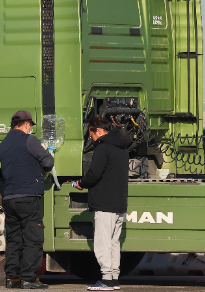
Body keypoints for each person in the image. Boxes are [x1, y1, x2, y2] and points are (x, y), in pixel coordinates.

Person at [0, 110, 54, 290]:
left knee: (14, 239)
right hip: (28, 197)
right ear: (26, 124)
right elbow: (48, 162)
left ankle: (12, 279)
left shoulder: (3, 144)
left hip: (9, 198)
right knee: (33, 238)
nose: (31, 129)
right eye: (30, 126)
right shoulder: (30, 140)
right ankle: (28, 278)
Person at [74, 116, 130, 291]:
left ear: (97, 130)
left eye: (92, 134)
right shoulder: (122, 148)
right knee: (114, 242)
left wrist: (80, 183)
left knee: (102, 242)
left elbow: (94, 173)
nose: (92, 139)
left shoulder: (103, 148)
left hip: (105, 203)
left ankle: (106, 279)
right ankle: (113, 278)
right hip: (120, 203)